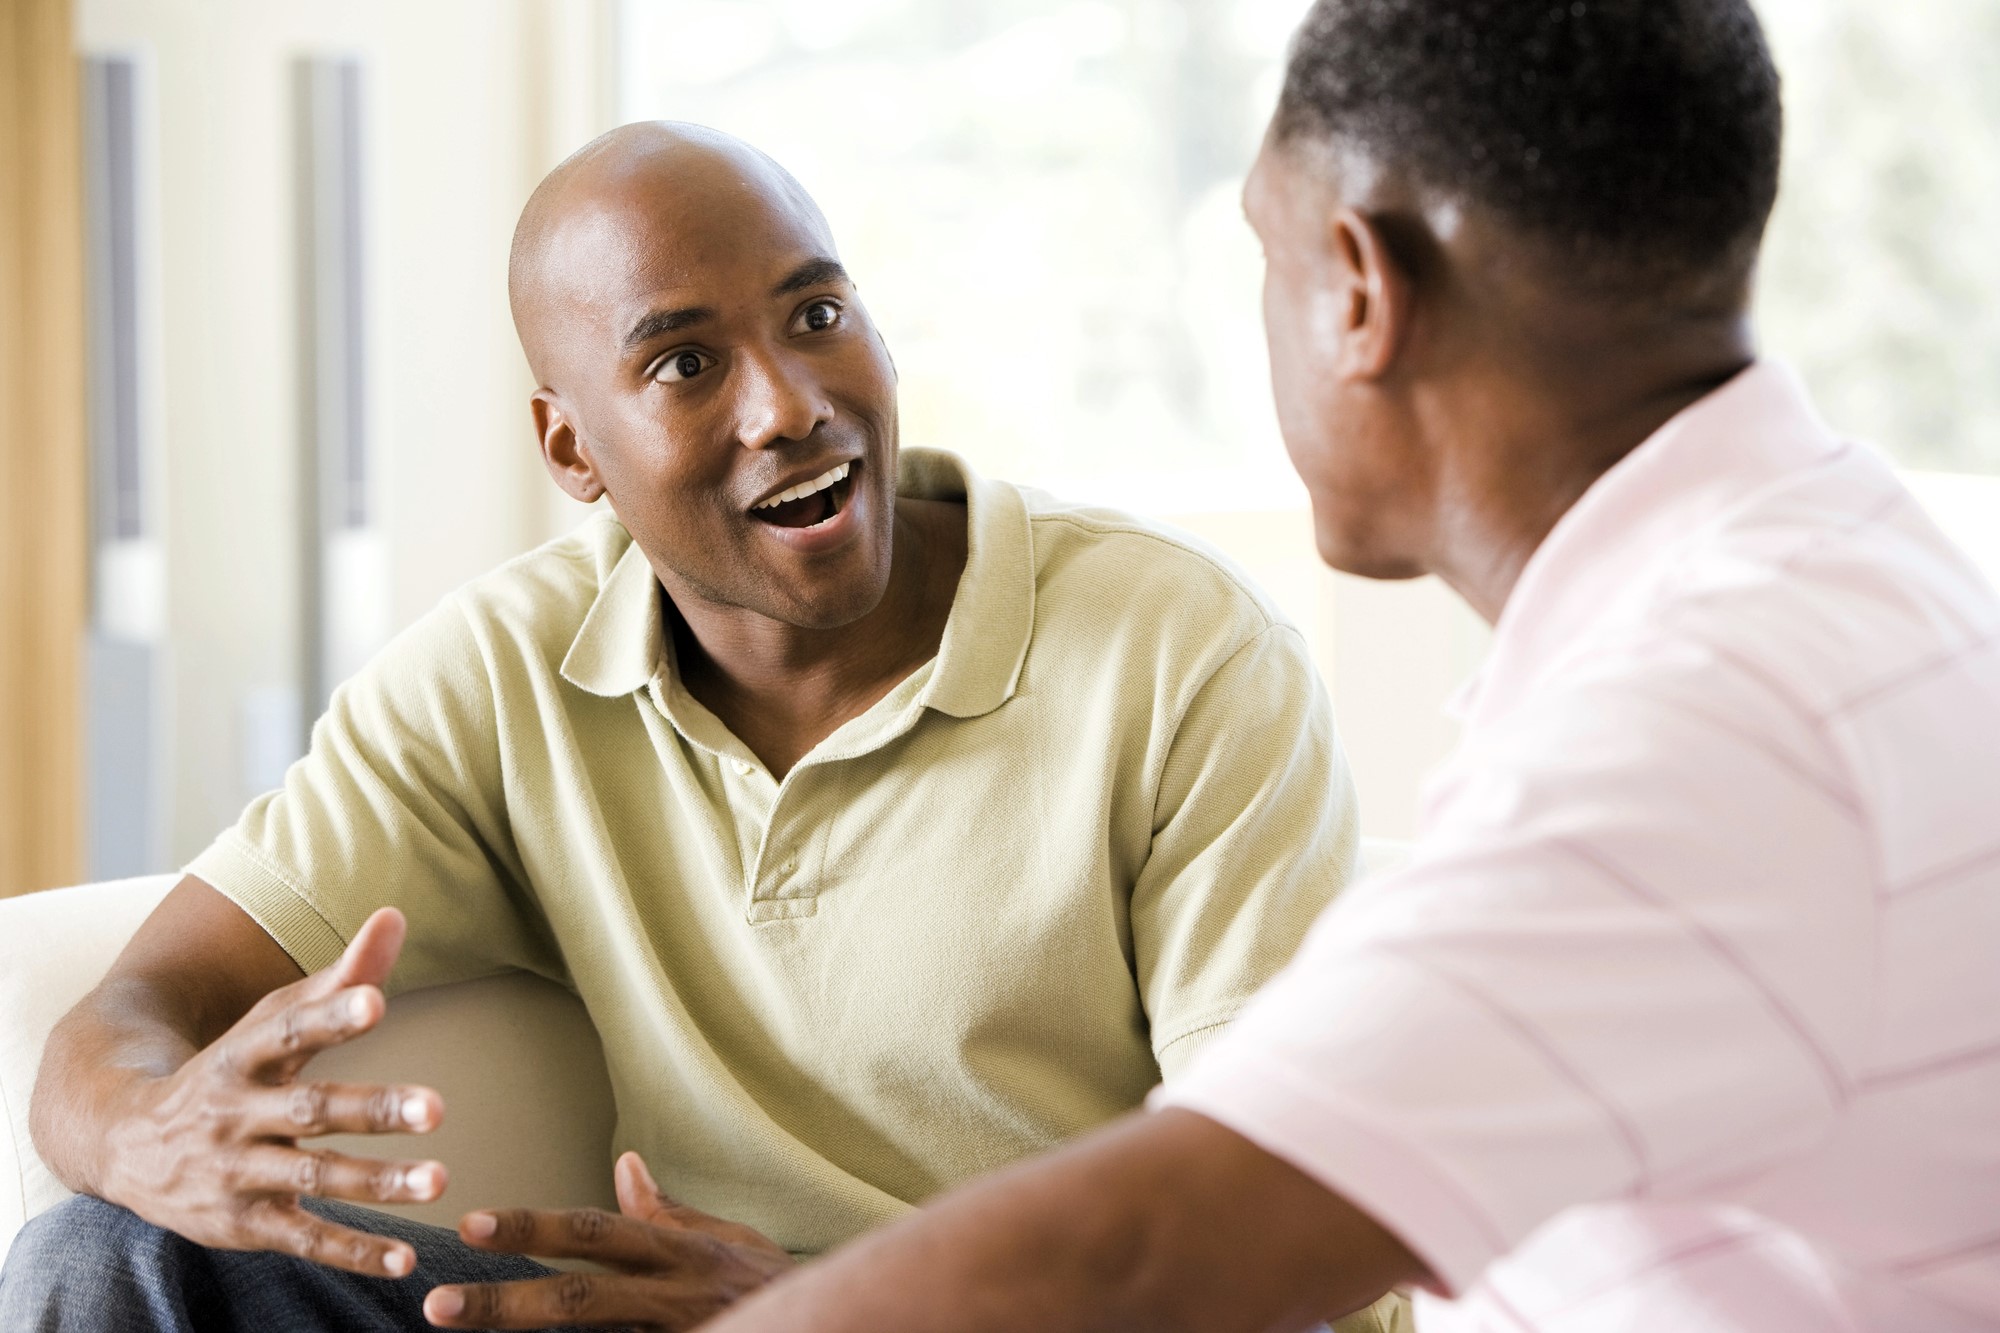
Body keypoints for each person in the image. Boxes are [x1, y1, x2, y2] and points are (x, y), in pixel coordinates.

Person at [695, 2, 2000, 1331]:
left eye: (1264, 254)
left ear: (1361, 289)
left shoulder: (1710, 726)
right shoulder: (1838, 577)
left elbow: (1136, 1258)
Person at [0, 124, 1400, 1332]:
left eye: (816, 315)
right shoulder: (507, 670)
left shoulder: (1180, 650)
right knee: (98, 1259)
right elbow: (120, 1020)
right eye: (684, 364)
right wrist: (152, 1133)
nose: (791, 405)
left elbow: (1298, 1233)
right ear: (572, 451)